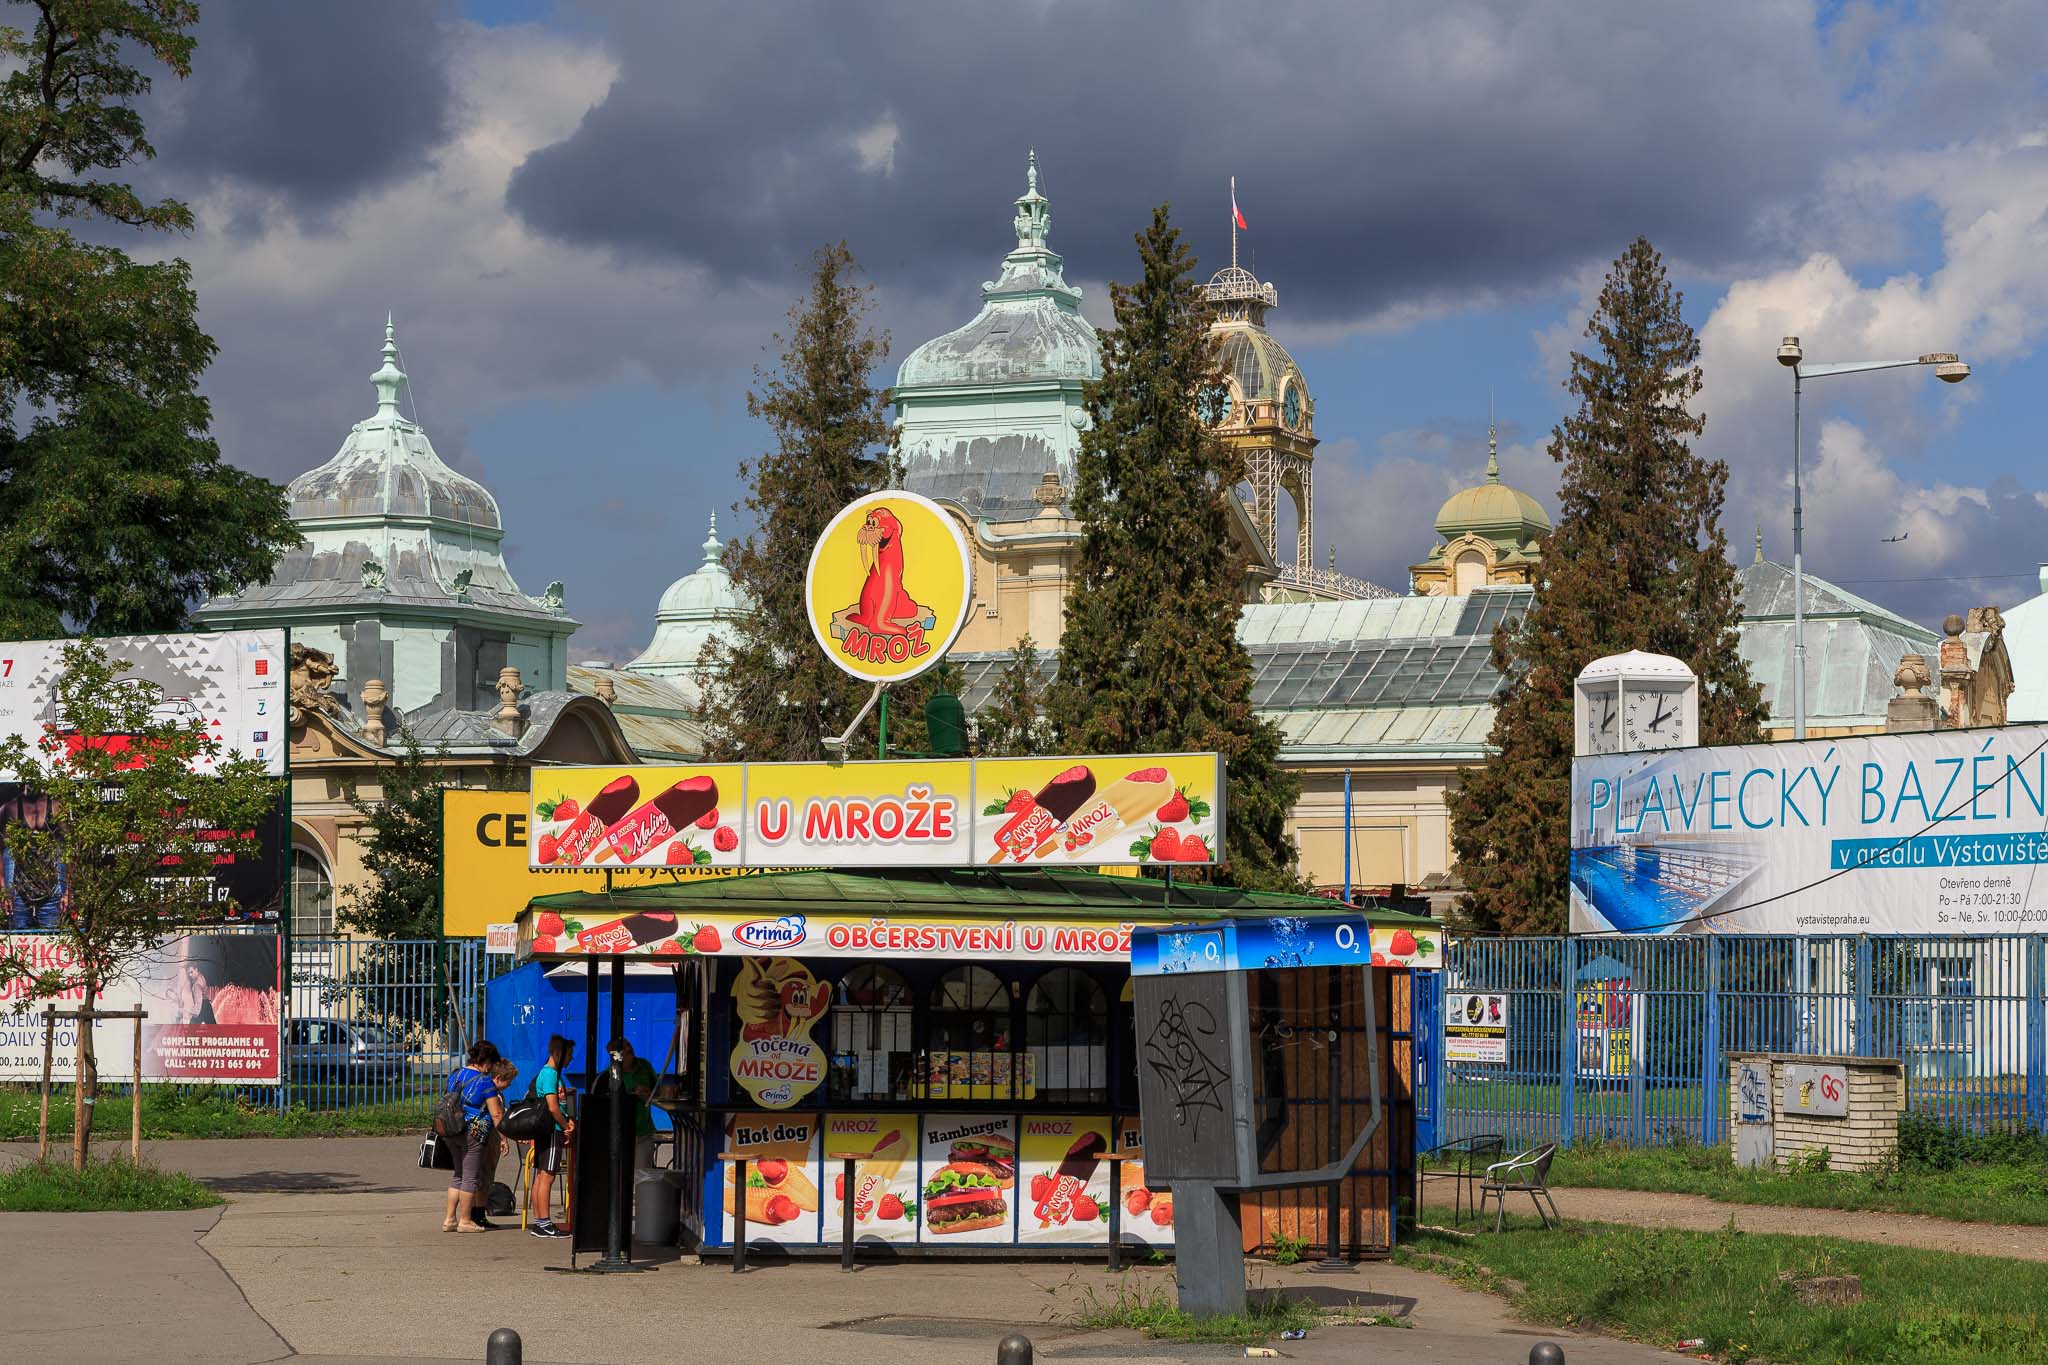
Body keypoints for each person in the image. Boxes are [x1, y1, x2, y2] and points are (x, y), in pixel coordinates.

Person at [442, 1041, 505, 1233]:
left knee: (458, 1175)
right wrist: (503, 1137)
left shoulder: (455, 1075)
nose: (492, 1068)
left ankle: (450, 1219)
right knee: (470, 1177)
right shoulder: (485, 1081)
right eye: (492, 1064)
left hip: (452, 1129)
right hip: (474, 1131)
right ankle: (465, 1220)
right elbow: (496, 1113)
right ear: (487, 1062)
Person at [528, 1034, 576, 1238]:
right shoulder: (549, 1075)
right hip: (551, 1130)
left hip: (550, 1129)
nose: (571, 1059)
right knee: (547, 1176)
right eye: (569, 1055)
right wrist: (565, 1125)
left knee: (541, 1175)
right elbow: (553, 1107)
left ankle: (540, 1220)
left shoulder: (554, 1075)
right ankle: (544, 1222)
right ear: (558, 1053)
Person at [605, 1036, 659, 1171]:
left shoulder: (644, 1066)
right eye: (627, 1052)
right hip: (620, 1134)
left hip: (643, 1133)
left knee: (642, 1175)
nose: (630, 1052)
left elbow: (658, 1090)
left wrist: (648, 1092)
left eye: (631, 1048)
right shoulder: (610, 1075)